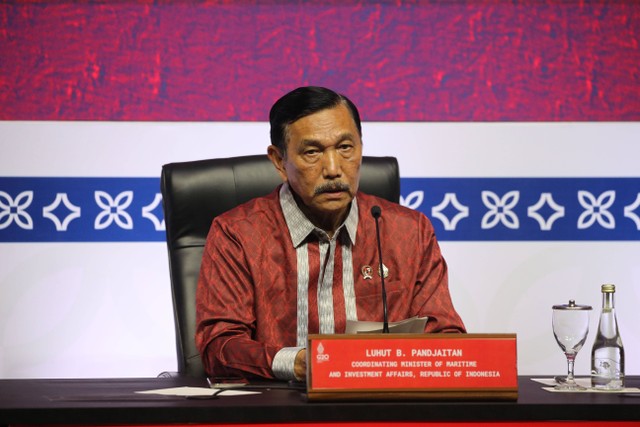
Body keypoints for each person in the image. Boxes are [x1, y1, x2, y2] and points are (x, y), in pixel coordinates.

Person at [195, 86, 465, 381]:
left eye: (345, 148)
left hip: (382, 410)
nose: (334, 169)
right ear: (278, 161)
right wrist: (300, 363)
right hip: (278, 412)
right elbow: (220, 347)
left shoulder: (408, 231)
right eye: (312, 152)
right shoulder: (238, 234)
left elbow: (446, 336)